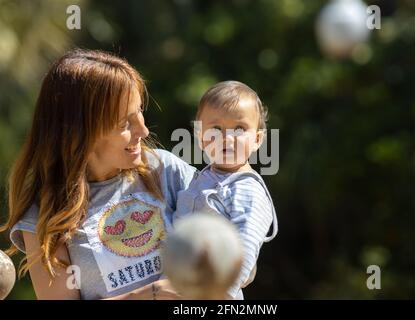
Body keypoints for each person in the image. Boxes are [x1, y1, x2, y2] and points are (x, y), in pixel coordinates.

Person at [0, 49, 197, 300]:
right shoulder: (45, 212)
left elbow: (230, 246)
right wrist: (151, 294)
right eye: (124, 123)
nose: (144, 130)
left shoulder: (166, 170)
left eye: (140, 112)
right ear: (80, 132)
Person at [174, 80, 279, 299]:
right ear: (200, 137)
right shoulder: (202, 178)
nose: (227, 138)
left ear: (258, 139)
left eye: (239, 129)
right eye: (216, 129)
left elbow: (245, 250)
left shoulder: (247, 189)